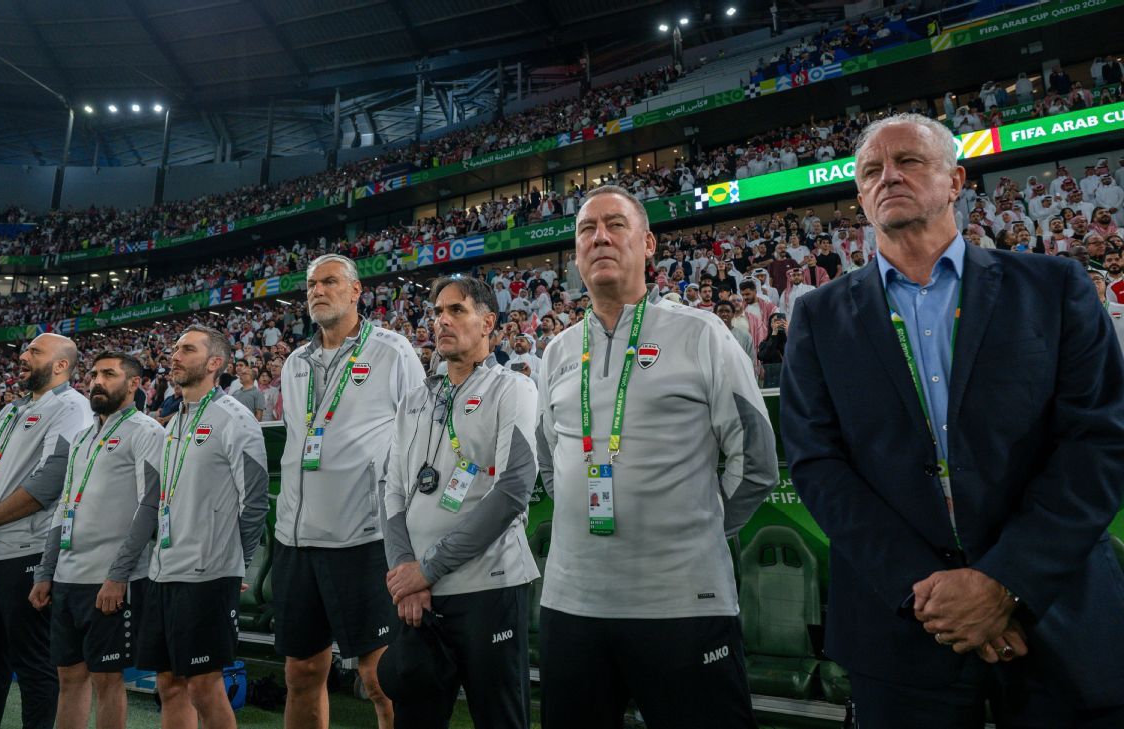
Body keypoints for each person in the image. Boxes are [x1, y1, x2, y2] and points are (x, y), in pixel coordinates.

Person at [780, 113, 1124, 727]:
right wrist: (933, 592)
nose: (888, 177)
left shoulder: (1052, 286)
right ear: (860, 196)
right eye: (870, 171)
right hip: (903, 629)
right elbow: (817, 463)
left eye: (908, 161)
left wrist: (1004, 583)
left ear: (956, 180)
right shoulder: (817, 316)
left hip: (1055, 614)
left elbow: (1098, 440)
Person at [534, 186, 778, 728]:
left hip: (682, 602)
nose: (599, 237)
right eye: (586, 229)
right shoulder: (556, 351)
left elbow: (757, 461)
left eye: (615, 224)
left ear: (648, 244)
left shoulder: (702, 334)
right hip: (572, 605)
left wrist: (699, 531)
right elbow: (550, 461)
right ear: (575, 251)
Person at [381, 276, 540, 728]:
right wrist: (406, 574)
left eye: (456, 310)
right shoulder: (414, 399)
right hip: (420, 597)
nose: (442, 321)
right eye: (437, 312)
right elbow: (391, 490)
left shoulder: (512, 389)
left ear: (488, 322)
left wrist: (426, 569)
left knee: (499, 719)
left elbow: (513, 489)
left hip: (489, 589)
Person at [274, 253, 424, 729]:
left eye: (329, 282)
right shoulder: (295, 362)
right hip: (296, 539)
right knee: (301, 673)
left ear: (357, 291)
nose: (317, 291)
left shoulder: (392, 351)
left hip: (362, 537)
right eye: (311, 285)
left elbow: (419, 435)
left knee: (380, 678)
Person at [119, 325, 268, 729]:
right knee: (169, 686)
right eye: (175, 348)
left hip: (208, 573)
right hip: (164, 570)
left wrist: (236, 562)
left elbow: (255, 501)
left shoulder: (235, 419)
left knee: (204, 687)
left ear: (214, 363)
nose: (175, 355)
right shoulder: (174, 423)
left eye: (187, 349)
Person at [0, 333, 92, 729]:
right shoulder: (11, 410)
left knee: (34, 665)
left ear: (61, 365)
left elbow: (52, 479)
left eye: (35, 351)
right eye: (25, 349)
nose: (23, 355)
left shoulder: (71, 407)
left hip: (24, 551)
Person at [29, 351, 167, 729]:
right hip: (67, 576)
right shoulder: (81, 437)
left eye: (108, 374)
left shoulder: (147, 431)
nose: (96, 381)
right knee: (69, 677)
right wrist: (45, 571)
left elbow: (149, 506)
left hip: (109, 578)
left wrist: (118, 575)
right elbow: (64, 506)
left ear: (134, 383)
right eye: (93, 374)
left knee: (107, 680)